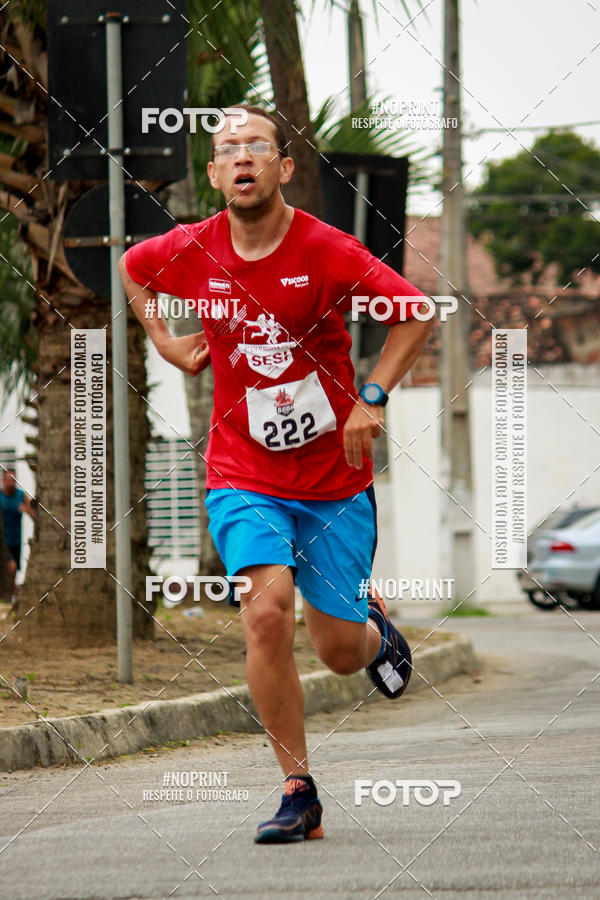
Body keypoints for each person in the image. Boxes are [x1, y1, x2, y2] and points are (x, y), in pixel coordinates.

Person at [120, 105, 434, 844]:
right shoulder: (191, 247)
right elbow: (134, 269)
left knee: (335, 650)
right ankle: (298, 790)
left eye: (257, 146)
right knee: (265, 612)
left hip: (333, 480)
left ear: (283, 167)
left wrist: (372, 397)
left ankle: (375, 631)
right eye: (226, 149)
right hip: (242, 471)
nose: (242, 158)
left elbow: (415, 313)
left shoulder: (328, 250)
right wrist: (163, 341)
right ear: (213, 173)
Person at [1, 468, 35, 604]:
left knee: (14, 571)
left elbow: (34, 515)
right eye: (8, 479)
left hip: (16, 540)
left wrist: (26, 510)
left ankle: (9, 596)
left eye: (13, 480)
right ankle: (8, 595)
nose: (10, 482)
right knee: (11, 567)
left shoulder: (21, 496)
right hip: (2, 540)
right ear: (3, 481)